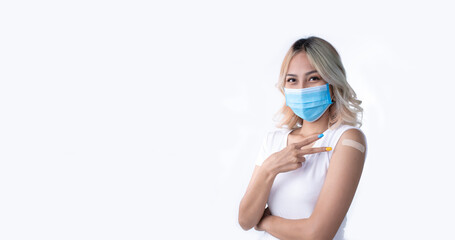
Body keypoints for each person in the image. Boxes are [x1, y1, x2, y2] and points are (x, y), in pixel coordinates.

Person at [238, 36, 367, 240]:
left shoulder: (347, 139)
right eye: (292, 80)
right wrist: (269, 168)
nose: (302, 89)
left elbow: (317, 234)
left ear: (332, 84)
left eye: (313, 78)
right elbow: (245, 220)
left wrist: (263, 221)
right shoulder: (273, 140)